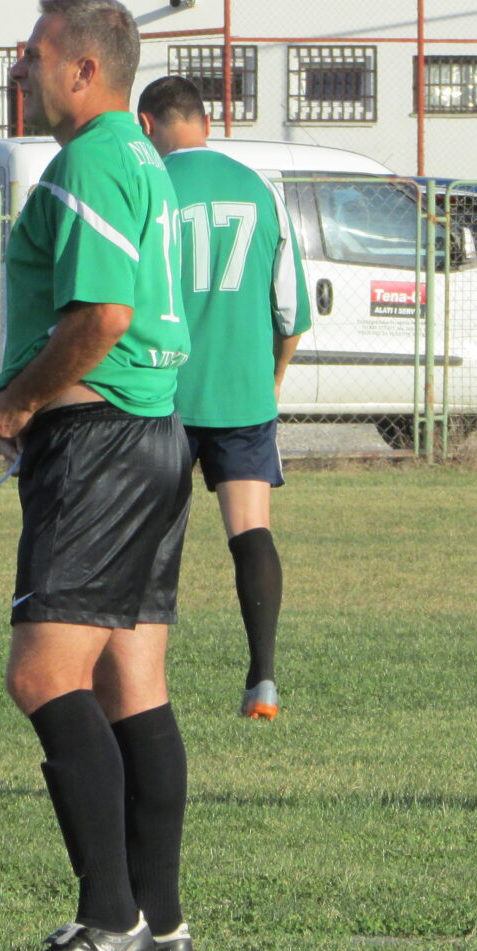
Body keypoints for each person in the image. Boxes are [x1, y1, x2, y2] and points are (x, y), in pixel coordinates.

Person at [0, 0, 194, 951]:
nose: (21, 68)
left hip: (100, 441)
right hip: (154, 434)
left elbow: (102, 314)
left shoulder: (96, 157)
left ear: (84, 69)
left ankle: (112, 918)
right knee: (130, 681)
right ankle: (161, 916)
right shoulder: (143, 156)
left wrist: (17, 400)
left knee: (42, 675)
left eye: (33, 53)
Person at [136, 75, 311, 721]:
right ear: (207, 124)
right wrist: (273, 377)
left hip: (161, 391)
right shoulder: (260, 188)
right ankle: (262, 681)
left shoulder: (150, 187)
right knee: (251, 531)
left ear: (147, 125)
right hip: (242, 393)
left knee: (151, 537)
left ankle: (143, 684)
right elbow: (290, 311)